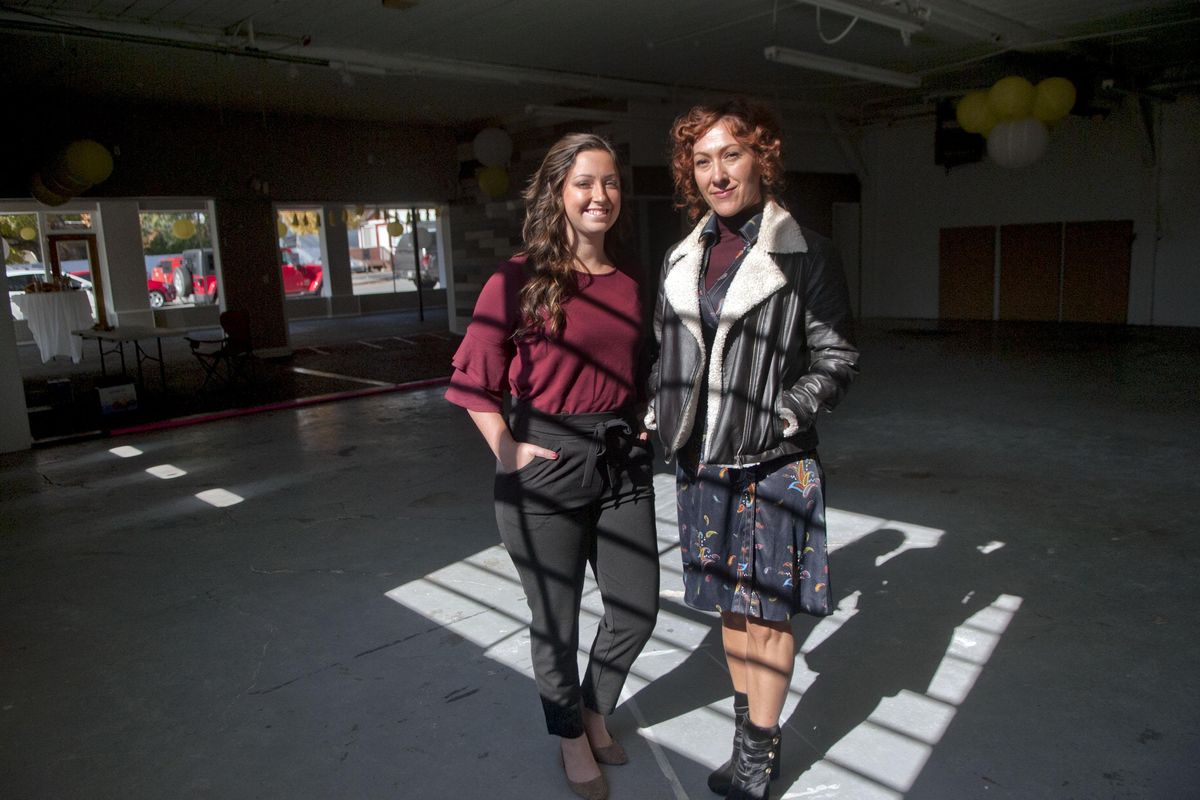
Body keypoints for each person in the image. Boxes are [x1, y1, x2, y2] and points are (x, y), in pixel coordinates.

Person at [644, 99, 859, 800]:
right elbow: (666, 351)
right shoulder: (686, 255)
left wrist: (782, 415)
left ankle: (759, 766)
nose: (717, 172)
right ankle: (748, 744)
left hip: (772, 463)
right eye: (701, 161)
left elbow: (835, 356)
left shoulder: (805, 252)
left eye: (730, 155)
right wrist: (659, 405)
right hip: (702, 460)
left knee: (766, 616)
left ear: (761, 158)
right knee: (732, 612)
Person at [445, 133, 659, 800]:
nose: (601, 196)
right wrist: (506, 447)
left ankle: (594, 709)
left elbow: (641, 369)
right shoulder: (516, 278)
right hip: (547, 463)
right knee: (556, 619)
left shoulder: (628, 281)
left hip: (621, 460)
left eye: (611, 183)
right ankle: (571, 736)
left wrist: (646, 416)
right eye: (585, 183)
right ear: (558, 194)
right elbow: (472, 381)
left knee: (635, 606)